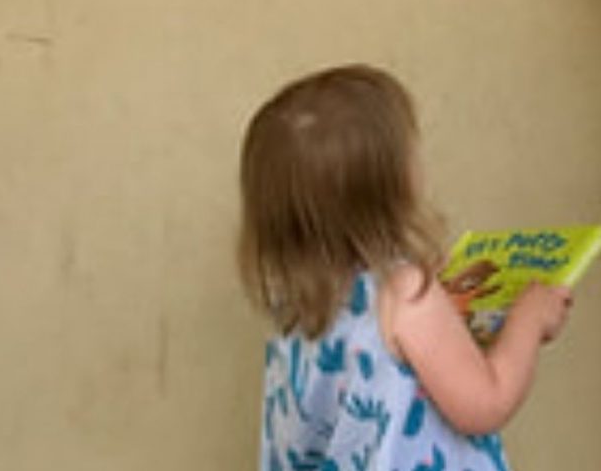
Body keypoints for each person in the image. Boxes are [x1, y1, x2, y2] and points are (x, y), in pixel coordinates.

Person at [239, 64, 573, 471]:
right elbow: (486, 402)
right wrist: (529, 320)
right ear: (390, 185)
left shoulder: (295, 297)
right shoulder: (405, 294)